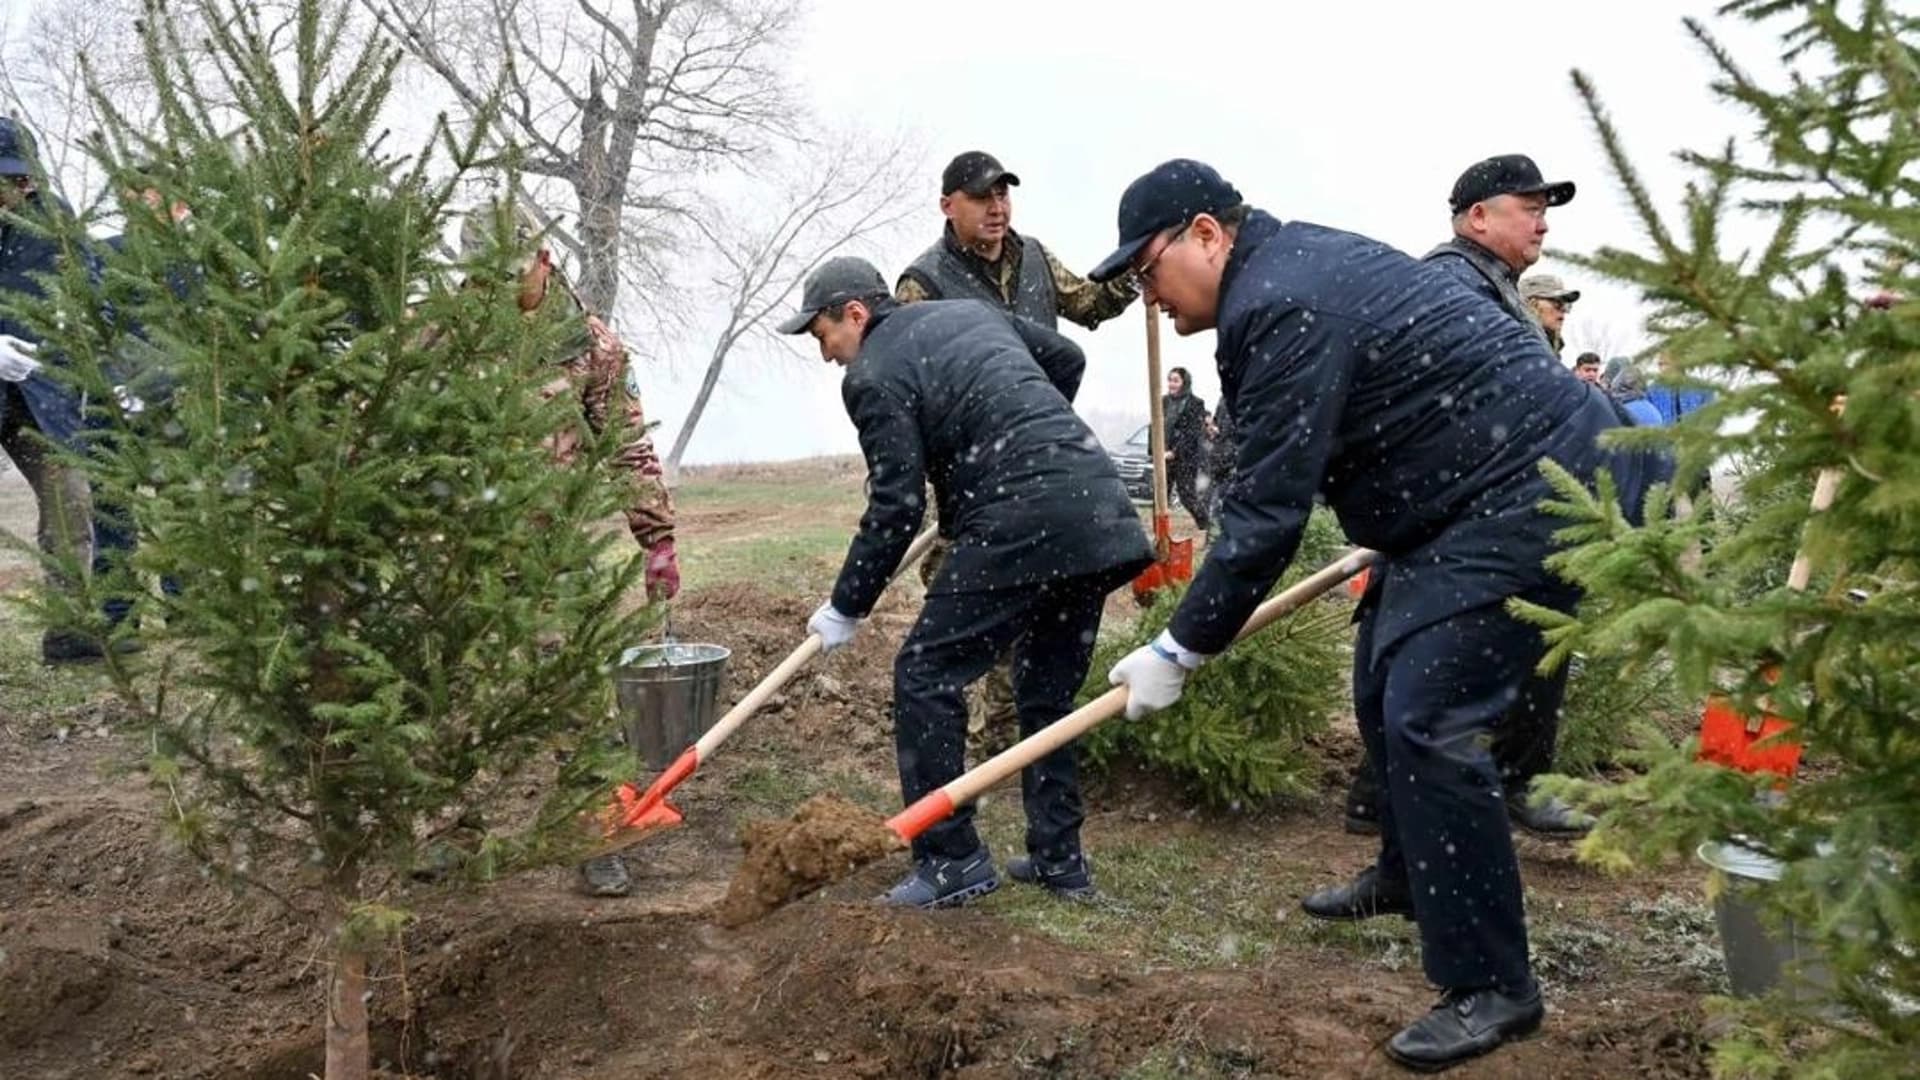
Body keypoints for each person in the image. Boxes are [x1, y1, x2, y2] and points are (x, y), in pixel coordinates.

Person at [1093, 159, 1635, 1071]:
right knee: (1384, 671)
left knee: (1430, 717)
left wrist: (1182, 644)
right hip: (1460, 501)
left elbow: (1266, 512)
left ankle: (1493, 986)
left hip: (1533, 491)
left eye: (1148, 270)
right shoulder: (1286, 273)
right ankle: (1411, 875)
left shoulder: (1281, 302)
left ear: (1206, 234)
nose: (1148, 296)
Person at [781, 256, 1150, 908]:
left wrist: (846, 606)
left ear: (855, 314)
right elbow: (1065, 358)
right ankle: (1059, 859)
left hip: (1020, 517)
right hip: (1095, 507)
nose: (828, 355)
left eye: (822, 336)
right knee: (1045, 693)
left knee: (926, 675)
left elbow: (895, 507)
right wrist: (1013, 427)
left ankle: (951, 860)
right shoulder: (968, 313)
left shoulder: (871, 376)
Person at [1335, 154, 1596, 841]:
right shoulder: (1454, 284)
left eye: (1546, 209)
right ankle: (1514, 779)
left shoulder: (1493, 282)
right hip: (1471, 502)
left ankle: (1378, 794)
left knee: (1405, 640)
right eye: (1528, 207)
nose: (1542, 222)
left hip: (1467, 500)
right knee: (1535, 622)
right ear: (1478, 216)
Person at [456, 206, 681, 898]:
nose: (501, 288)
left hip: (555, 551)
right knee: (453, 692)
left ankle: (596, 834)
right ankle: (450, 834)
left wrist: (657, 540)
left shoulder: (592, 346)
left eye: (514, 273)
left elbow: (626, 446)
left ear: (544, 260)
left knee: (577, 694)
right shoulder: (446, 336)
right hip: (463, 554)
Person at [894, 151, 1139, 746]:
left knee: (1045, 594)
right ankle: (965, 725)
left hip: (1041, 459)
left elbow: (1089, 304)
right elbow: (913, 390)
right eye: (982, 197)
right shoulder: (922, 286)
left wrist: (1138, 271)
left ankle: (1020, 730)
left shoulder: (1033, 259)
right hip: (972, 470)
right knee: (973, 596)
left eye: (1004, 195)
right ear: (949, 206)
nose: (997, 207)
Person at [0, 118, 100, 664]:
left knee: (70, 502)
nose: (18, 192)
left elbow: (90, 289)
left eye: (23, 181)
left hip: (38, 399)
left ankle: (69, 632)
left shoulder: (53, 219)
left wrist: (69, 333)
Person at [1162, 366, 1210, 532]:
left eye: (1175, 380)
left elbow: (1191, 433)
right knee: (1160, 495)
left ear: (1184, 382)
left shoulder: (1195, 403)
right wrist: (1155, 451)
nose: (1171, 384)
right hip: (1163, 457)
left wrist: (1174, 452)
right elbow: (1155, 427)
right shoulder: (1163, 401)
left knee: (1187, 496)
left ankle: (1206, 526)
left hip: (1185, 458)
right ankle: (1159, 531)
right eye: (1169, 380)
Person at [1520, 273, 1580, 356]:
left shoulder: (1548, 347)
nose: (1563, 312)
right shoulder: (1515, 343)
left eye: (1566, 306)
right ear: (1531, 304)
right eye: (1557, 304)